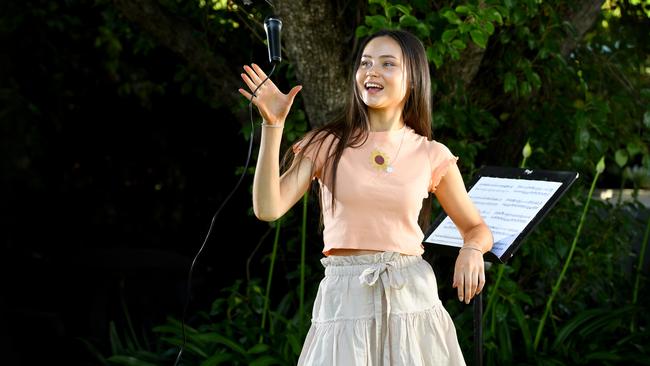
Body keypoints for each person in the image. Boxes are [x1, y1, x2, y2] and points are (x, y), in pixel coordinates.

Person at [238, 29, 493, 366]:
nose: (371, 72)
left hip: (411, 300)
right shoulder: (327, 143)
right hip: (344, 299)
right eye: (365, 63)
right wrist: (274, 127)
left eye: (388, 64)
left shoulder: (431, 154)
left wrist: (472, 249)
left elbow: (476, 227)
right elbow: (268, 208)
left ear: (413, 79)